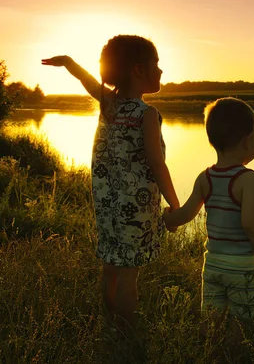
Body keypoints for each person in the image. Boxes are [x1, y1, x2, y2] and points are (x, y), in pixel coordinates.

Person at [42, 35, 179, 330]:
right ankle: (128, 331)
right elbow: (157, 163)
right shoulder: (147, 114)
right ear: (138, 70)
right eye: (156, 64)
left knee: (111, 267)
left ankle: (110, 322)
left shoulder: (108, 104)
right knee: (129, 272)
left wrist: (69, 63)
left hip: (106, 205)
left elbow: (88, 81)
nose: (161, 70)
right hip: (136, 208)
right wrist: (175, 203)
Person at [163, 97, 254, 351]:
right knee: (241, 326)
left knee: (211, 321)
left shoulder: (205, 177)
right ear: (248, 139)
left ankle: (207, 353)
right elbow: (250, 224)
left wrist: (167, 219)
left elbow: (185, 213)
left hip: (213, 265)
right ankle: (231, 357)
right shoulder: (248, 179)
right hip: (243, 269)